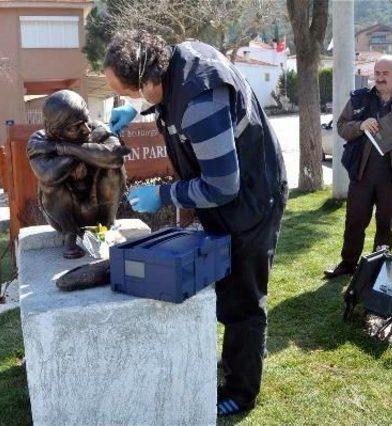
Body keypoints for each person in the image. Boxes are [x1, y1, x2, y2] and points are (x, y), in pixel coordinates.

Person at [104, 30, 288, 416]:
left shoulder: (199, 101)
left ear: (151, 79)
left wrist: (165, 195)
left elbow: (222, 186)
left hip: (252, 198)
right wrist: (136, 110)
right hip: (232, 192)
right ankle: (235, 361)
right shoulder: (176, 56)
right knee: (227, 286)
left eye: (135, 93)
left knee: (243, 299)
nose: (136, 100)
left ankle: (241, 390)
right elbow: (163, 94)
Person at [324, 55, 392, 279]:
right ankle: (348, 264)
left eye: (386, 73)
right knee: (354, 221)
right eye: (377, 73)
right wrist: (360, 125)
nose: (380, 78)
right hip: (361, 174)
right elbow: (342, 126)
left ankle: (378, 269)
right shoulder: (360, 98)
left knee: (386, 225)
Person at [27, 90, 130, 259]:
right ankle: (70, 235)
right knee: (50, 183)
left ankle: (109, 226)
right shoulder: (39, 140)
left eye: (86, 119)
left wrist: (65, 148)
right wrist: (88, 153)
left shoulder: (96, 128)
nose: (86, 129)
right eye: (75, 127)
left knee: (113, 168)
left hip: (99, 208)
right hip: (64, 215)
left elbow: (116, 157)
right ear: (54, 131)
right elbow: (48, 175)